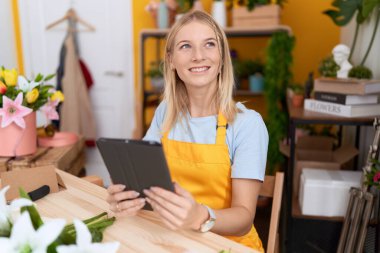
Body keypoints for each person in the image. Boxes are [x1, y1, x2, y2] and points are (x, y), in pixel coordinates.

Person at [106, 10, 268, 251]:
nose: (198, 56)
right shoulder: (166, 113)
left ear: (222, 56)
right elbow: (145, 183)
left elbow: (244, 219)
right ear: (171, 60)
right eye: (185, 47)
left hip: (228, 245)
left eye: (209, 45)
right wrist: (126, 197)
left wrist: (200, 216)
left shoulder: (247, 124)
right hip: (174, 240)